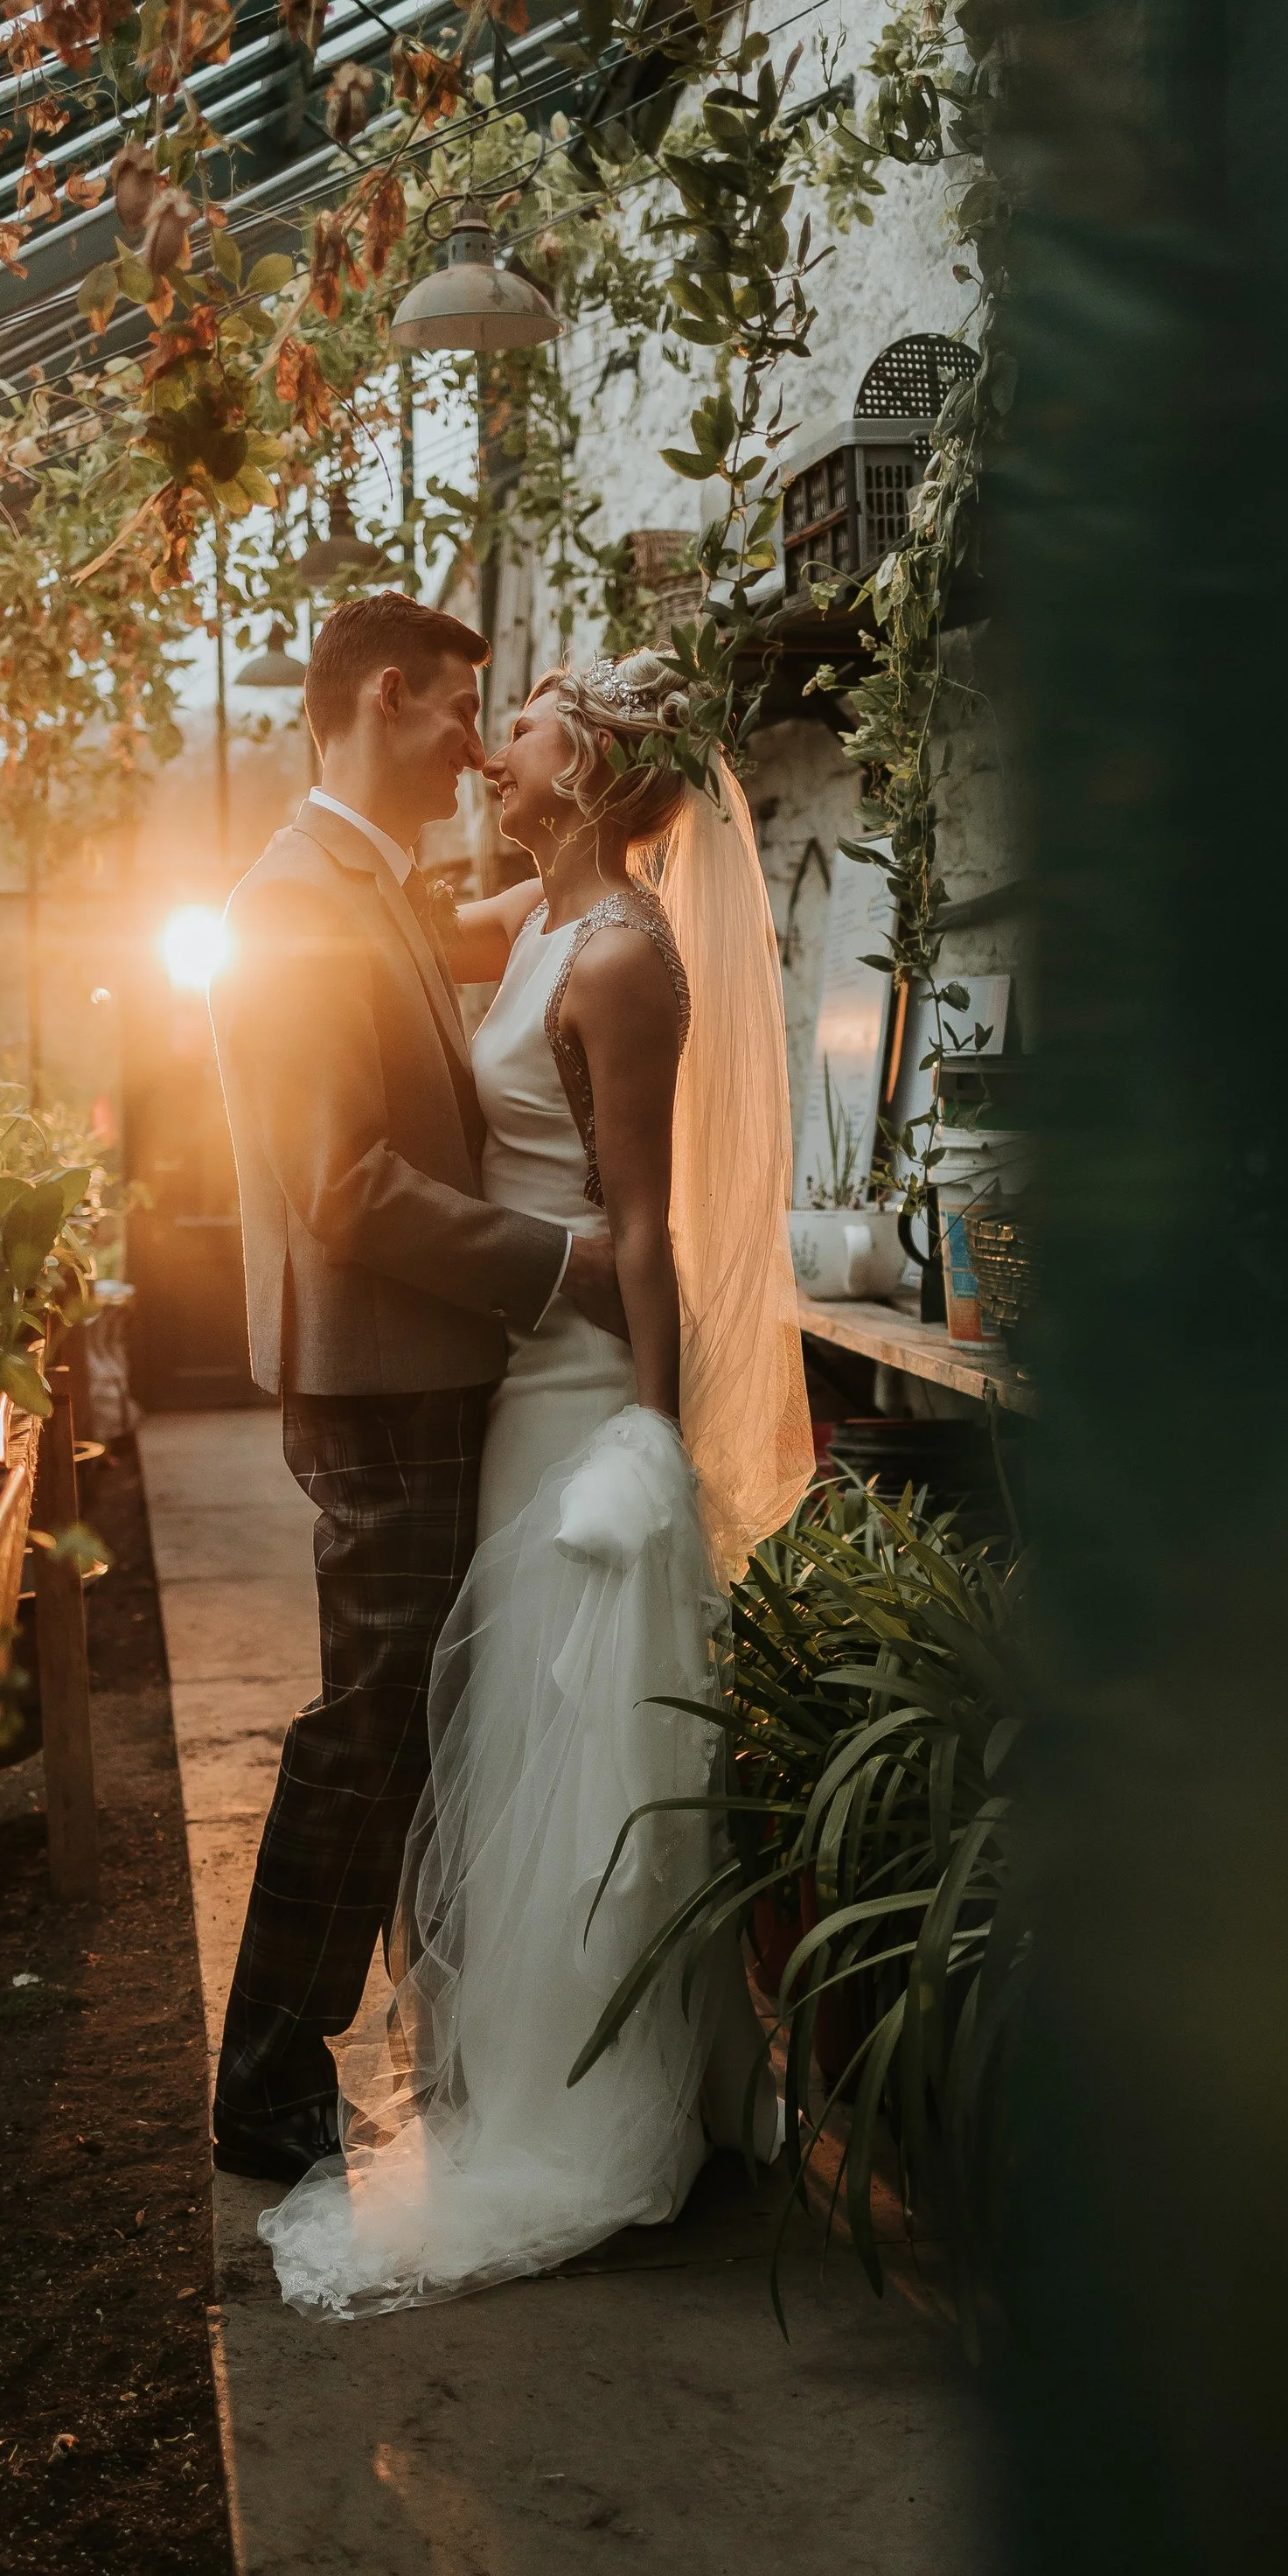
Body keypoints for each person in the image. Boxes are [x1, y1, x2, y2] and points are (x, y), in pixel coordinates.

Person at [257, 645, 814, 2314]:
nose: (492, 746)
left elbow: (645, 1226)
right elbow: (382, 938)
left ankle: (607, 2089)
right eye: (478, 716)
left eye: (521, 727)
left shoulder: (628, 953)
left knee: (582, 1746)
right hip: (506, 1386)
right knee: (502, 1738)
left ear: (582, 775)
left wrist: (654, 1435)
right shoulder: (537, 921)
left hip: (581, 1399)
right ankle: (512, 2059)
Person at [206, 592, 631, 2185]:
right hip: (380, 1373)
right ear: (387, 697)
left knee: (416, 1718)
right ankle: (265, 2075)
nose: (473, 747)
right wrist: (558, 1265)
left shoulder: (363, 880)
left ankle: (425, 2035)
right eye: (463, 711)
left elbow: (495, 947)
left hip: (418, 1365)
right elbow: (344, 1184)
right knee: (369, 1723)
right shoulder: (293, 900)